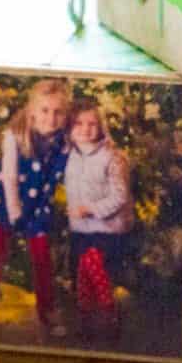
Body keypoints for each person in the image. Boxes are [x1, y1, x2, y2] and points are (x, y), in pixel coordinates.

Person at [0, 79, 69, 331]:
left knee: (42, 258)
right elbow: (10, 176)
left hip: (38, 206)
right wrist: (15, 212)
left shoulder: (63, 141)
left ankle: (47, 312)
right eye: (45, 110)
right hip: (7, 201)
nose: (51, 117)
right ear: (32, 111)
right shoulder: (13, 137)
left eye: (58, 112)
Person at [64, 96, 134, 325]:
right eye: (79, 124)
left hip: (106, 228)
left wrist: (91, 209)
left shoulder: (112, 158)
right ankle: (86, 316)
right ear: (70, 128)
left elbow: (120, 196)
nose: (85, 129)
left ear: (101, 127)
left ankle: (108, 312)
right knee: (82, 274)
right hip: (81, 229)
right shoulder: (70, 156)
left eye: (92, 124)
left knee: (94, 266)